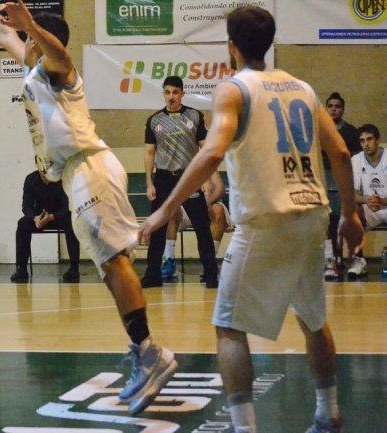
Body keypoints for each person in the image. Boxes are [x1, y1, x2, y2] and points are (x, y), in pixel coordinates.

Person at [139, 6, 363, 433]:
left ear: (232, 47)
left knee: (228, 326)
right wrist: (349, 213)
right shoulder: (303, 88)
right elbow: (339, 152)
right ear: (271, 42)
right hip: (313, 213)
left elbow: (212, 152)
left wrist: (166, 209)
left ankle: (245, 428)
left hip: (266, 219)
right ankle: (328, 413)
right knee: (314, 321)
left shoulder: (234, 89)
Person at [0, 0, 177, 415]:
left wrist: (29, 26)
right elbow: (9, 38)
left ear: (38, 40)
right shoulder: (33, 70)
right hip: (76, 176)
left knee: (115, 264)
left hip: (90, 168)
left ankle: (150, 352)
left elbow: (59, 52)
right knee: (110, 267)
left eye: (27, 37)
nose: (19, 42)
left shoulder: (57, 68)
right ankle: (144, 350)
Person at [142, 75, 219, 288]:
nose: (171, 96)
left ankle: (211, 275)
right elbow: (149, 153)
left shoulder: (194, 116)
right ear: (163, 94)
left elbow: (206, 148)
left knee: (202, 226)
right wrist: (149, 183)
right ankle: (152, 275)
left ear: (182, 94)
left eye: (175, 92)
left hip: (189, 178)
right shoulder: (154, 120)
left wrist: (205, 178)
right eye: (167, 92)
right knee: (157, 226)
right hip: (164, 178)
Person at [10, 169, 80, 283]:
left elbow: (67, 206)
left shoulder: (62, 178)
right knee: (22, 224)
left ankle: (74, 269)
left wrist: (53, 216)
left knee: (72, 222)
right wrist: (35, 218)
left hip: (57, 216)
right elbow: (26, 206)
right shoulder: (31, 179)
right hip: (39, 217)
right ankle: (21, 269)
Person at [162, 172, 231, 280]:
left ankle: (209, 262)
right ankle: (169, 261)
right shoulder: (178, 168)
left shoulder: (210, 166)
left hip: (208, 206)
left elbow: (220, 189)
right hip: (185, 209)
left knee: (218, 211)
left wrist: (206, 202)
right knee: (171, 212)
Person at [322, 92, 361, 279]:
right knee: (326, 220)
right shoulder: (318, 130)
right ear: (326, 108)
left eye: (337, 106)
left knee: (341, 220)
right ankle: (331, 259)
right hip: (322, 180)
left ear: (342, 109)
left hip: (343, 180)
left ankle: (350, 259)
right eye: (330, 106)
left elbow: (356, 159)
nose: (334, 109)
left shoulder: (352, 132)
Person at [347, 124, 385, 278]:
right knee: (351, 209)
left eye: (369, 139)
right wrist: (366, 200)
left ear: (377, 141)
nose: (366, 144)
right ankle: (359, 260)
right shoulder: (356, 160)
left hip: (385, 204)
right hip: (370, 208)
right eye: (362, 141)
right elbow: (352, 193)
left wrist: (382, 201)